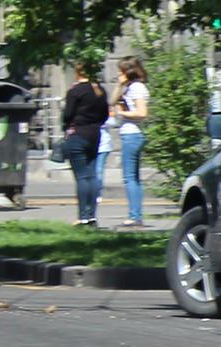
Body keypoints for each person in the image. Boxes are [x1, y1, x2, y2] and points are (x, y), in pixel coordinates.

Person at [57, 63, 108, 227]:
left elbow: (67, 115)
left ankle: (83, 217)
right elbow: (105, 116)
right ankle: (92, 216)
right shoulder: (100, 91)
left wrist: (66, 126)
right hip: (95, 136)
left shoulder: (75, 91)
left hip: (77, 134)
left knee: (81, 177)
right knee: (92, 176)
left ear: (77, 72)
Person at [112, 56, 151, 226]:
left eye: (121, 71)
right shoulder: (129, 87)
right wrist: (119, 85)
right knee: (133, 177)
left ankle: (135, 216)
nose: (118, 74)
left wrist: (122, 113)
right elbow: (112, 101)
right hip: (130, 134)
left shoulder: (137, 88)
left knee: (130, 177)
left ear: (129, 71)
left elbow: (142, 113)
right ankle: (136, 214)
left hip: (132, 134)